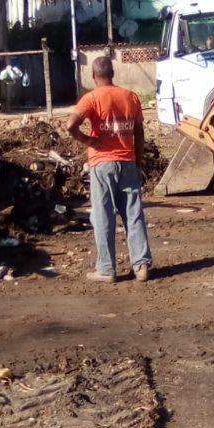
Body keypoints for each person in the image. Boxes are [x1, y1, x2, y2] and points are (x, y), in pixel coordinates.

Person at [67, 56, 153, 283]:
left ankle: (106, 269)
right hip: (127, 162)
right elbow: (139, 133)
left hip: (102, 164)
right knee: (133, 214)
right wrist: (138, 161)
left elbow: (70, 125)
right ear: (113, 73)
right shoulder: (130, 97)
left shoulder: (92, 98)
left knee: (103, 215)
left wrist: (87, 140)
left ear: (93, 76)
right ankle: (141, 265)